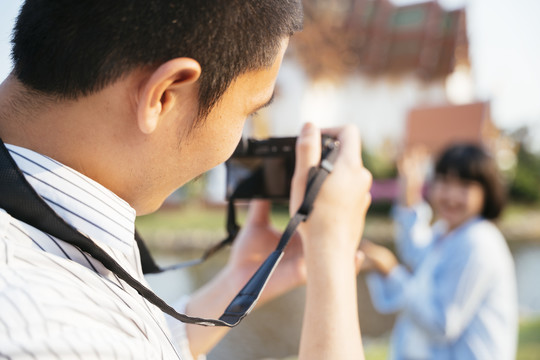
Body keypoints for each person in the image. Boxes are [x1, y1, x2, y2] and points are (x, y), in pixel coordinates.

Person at [0, 1, 373, 359]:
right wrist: (333, 258)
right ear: (163, 95)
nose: (239, 141)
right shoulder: (38, 329)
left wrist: (236, 283)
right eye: (249, 110)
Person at [361, 144, 518, 359]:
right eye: (444, 181)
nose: (451, 196)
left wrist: (390, 269)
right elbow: (417, 252)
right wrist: (408, 196)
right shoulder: (448, 231)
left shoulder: (477, 242)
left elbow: (441, 323)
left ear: (486, 192)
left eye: (464, 186)